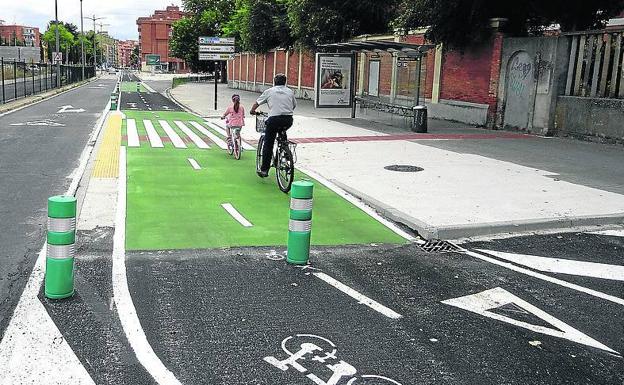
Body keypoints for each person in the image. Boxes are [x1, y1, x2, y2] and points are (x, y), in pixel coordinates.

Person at [249, 73, 297, 178]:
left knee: (268, 144)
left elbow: (257, 103)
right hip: (288, 120)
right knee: (282, 133)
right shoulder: (290, 91)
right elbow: (293, 105)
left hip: (274, 120)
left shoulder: (269, 91)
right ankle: (286, 154)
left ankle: (265, 169)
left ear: (274, 82)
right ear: (285, 82)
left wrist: (252, 111)